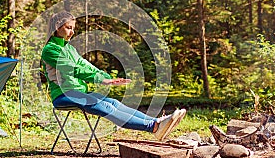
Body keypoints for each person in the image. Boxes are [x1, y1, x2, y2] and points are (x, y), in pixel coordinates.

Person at [41, 10, 186, 141]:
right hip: (63, 95)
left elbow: (84, 65)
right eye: (68, 28)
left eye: (73, 28)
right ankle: (152, 126)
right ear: (56, 27)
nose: (72, 32)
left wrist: (106, 77)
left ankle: (157, 123)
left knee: (114, 103)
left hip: (78, 92)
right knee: (104, 106)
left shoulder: (69, 48)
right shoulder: (50, 50)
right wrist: (100, 80)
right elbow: (73, 69)